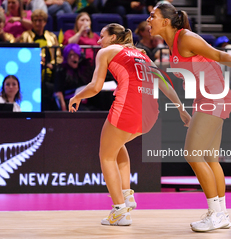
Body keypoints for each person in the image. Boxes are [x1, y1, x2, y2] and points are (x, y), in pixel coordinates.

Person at [147, 2, 231, 232]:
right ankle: (222, 213)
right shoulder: (172, 44)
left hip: (214, 97)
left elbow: (217, 54)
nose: (148, 19)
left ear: (165, 21)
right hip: (206, 98)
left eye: (153, 15)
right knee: (211, 158)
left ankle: (215, 214)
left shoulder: (186, 38)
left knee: (192, 154)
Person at [69, 23, 191, 226]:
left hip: (128, 108)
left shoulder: (107, 52)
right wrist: (181, 109)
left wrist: (77, 96)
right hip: (151, 114)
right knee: (117, 146)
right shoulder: (141, 54)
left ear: (114, 39)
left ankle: (119, 211)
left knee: (106, 156)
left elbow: (95, 87)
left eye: (102, 37)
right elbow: (164, 84)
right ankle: (127, 197)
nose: (98, 41)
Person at [54, 43, 93, 111]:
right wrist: (64, 110)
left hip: (85, 102)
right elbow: (58, 92)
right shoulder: (61, 70)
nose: (72, 57)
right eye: (70, 55)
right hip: (70, 102)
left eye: (75, 54)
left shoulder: (85, 70)